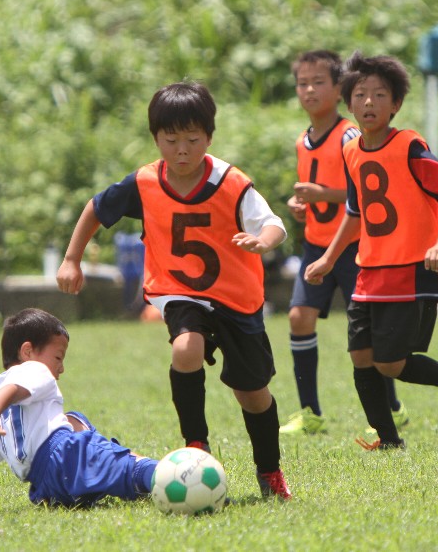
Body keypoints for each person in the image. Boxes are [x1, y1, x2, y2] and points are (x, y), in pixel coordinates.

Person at [57, 81, 292, 500]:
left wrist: (263, 241)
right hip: (178, 292)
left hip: (237, 299)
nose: (182, 150)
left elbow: (273, 223)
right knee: (186, 348)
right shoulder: (145, 182)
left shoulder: (231, 182)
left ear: (209, 137)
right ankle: (195, 445)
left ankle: (269, 471)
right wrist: (71, 259)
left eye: (192, 140)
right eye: (171, 140)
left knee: (253, 395)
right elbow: (96, 208)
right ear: (156, 139)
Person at [304, 52, 438, 451]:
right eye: (360, 95)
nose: (369, 102)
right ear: (349, 103)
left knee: (390, 363)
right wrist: (329, 258)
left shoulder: (410, 147)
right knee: (360, 355)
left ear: (396, 104)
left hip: (410, 268)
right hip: (369, 270)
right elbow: (355, 212)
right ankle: (389, 441)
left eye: (380, 95)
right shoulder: (351, 151)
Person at [280, 49, 408, 437]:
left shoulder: (349, 135)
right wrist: (302, 206)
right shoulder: (303, 140)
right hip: (315, 246)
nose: (309, 90)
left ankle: (391, 408)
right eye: (302, 83)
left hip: (354, 248)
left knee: (367, 336)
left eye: (318, 82)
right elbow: (318, 197)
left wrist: (322, 194)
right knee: (298, 318)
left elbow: (362, 196)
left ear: (340, 89)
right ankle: (310, 412)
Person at [0, 308, 157, 509]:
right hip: (64, 453)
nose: (61, 368)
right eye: (58, 357)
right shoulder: (33, 368)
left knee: (75, 422)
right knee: (127, 467)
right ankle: (162, 473)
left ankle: (129, 480)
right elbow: (13, 389)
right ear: (27, 352)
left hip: (46, 488)